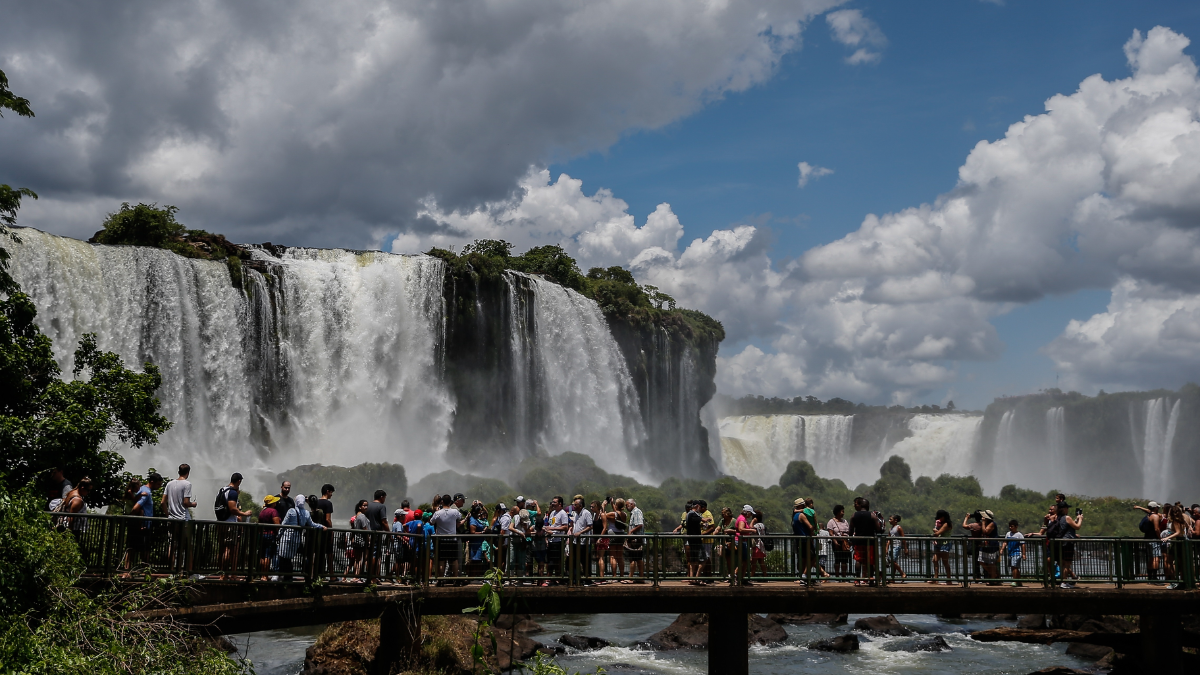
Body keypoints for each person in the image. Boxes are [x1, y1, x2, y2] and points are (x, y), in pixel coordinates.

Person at [122, 472, 163, 579]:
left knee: (132, 548)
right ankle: (145, 573)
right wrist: (133, 518)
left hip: (140, 524)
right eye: (158, 484)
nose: (159, 487)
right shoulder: (146, 492)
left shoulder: (142, 490)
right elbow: (136, 508)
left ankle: (128, 572)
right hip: (142, 526)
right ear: (152, 482)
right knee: (144, 550)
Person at [161, 464, 196, 574]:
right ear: (188, 472)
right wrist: (193, 504)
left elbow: (162, 502)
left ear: (178, 471)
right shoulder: (187, 484)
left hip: (172, 520)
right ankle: (189, 572)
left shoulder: (169, 483)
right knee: (188, 546)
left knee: (173, 546)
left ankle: (172, 572)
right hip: (183, 519)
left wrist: (168, 515)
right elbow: (186, 503)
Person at [1047, 503, 1082, 589]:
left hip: (1061, 543)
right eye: (1067, 508)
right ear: (1064, 509)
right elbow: (1077, 527)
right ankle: (1064, 582)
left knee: (1062, 563)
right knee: (1067, 564)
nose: (1068, 510)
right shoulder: (1067, 517)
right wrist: (1080, 519)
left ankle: (1063, 582)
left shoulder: (1057, 518)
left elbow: (1069, 527)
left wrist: (1076, 520)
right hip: (1068, 543)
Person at [430, 494, 462, 583]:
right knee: (454, 560)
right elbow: (460, 518)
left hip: (441, 540)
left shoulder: (438, 513)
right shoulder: (455, 512)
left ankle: (440, 580)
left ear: (442, 502)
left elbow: (431, 522)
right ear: (451, 502)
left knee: (441, 561)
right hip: (452, 539)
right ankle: (455, 579)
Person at [848, 497, 878, 586]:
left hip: (858, 541)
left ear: (860, 505)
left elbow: (851, 529)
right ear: (867, 506)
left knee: (858, 560)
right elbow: (878, 529)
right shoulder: (872, 515)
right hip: (870, 542)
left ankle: (857, 579)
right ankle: (871, 579)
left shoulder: (854, 515)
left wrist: (850, 540)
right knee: (870, 561)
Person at [1134, 501, 1164, 582]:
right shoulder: (1155, 517)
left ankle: (1150, 577)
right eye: (1157, 507)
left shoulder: (1148, 515)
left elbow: (1149, 511)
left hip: (1147, 539)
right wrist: (1160, 538)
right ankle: (1154, 578)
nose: (1158, 508)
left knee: (1151, 558)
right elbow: (1157, 529)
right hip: (1154, 539)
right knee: (1156, 558)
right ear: (1155, 508)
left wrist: (1139, 507)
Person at [258, 495, 282, 580]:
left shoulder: (262, 511)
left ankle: (262, 574)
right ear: (272, 503)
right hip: (270, 535)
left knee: (262, 555)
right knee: (267, 555)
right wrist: (279, 533)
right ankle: (265, 575)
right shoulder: (273, 511)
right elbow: (276, 525)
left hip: (262, 535)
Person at [792, 498, 815, 584]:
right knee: (813, 557)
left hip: (799, 540)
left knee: (803, 559)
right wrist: (814, 527)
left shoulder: (795, 515)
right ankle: (804, 575)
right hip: (805, 540)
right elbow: (810, 527)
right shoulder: (802, 515)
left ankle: (802, 576)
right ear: (801, 505)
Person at [346, 499, 370, 581]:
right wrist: (369, 540)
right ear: (360, 507)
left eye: (367, 505)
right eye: (364, 505)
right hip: (362, 540)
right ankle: (357, 576)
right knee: (361, 559)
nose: (366, 507)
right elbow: (365, 528)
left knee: (357, 559)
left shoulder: (357, 516)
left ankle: (355, 576)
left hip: (357, 540)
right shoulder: (362, 516)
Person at [316, 484, 336, 580]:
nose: (331, 495)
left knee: (318, 554)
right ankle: (331, 575)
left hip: (317, 531)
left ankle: (318, 574)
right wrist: (331, 531)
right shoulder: (328, 504)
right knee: (329, 553)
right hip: (325, 531)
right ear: (328, 491)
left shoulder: (316, 502)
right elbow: (328, 519)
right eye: (331, 492)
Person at [826, 505, 851, 580]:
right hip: (837, 542)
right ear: (837, 512)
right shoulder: (831, 522)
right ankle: (837, 577)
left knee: (844, 561)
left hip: (845, 542)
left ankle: (844, 577)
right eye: (842, 511)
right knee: (837, 560)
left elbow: (848, 531)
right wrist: (835, 541)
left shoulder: (845, 521)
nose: (843, 513)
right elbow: (831, 533)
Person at [734, 505, 757, 584]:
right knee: (744, 560)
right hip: (741, 541)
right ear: (747, 512)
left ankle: (740, 578)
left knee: (745, 560)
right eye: (750, 513)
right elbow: (740, 529)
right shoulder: (742, 519)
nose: (751, 515)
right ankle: (738, 577)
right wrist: (752, 530)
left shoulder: (743, 518)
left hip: (743, 541)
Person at [507, 502, 529, 585]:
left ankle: (520, 579)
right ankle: (510, 578)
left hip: (521, 542)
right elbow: (510, 527)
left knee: (521, 560)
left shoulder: (526, 519)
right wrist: (519, 532)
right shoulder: (515, 517)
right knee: (511, 559)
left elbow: (527, 529)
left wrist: (524, 526)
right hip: (513, 540)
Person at [624, 498, 645, 583]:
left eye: (627, 505)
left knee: (632, 559)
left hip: (636, 539)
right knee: (638, 559)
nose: (626, 507)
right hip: (636, 539)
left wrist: (631, 531)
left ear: (632, 504)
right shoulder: (634, 512)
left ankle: (630, 578)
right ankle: (641, 578)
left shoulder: (636, 512)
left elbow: (640, 524)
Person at [977, 510, 1000, 584]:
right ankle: (995, 576)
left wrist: (983, 523)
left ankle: (993, 579)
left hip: (992, 545)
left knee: (991, 563)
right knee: (981, 561)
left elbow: (985, 532)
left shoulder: (992, 524)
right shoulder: (987, 523)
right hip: (985, 545)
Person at [931, 509, 953, 585]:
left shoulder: (947, 524)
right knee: (935, 560)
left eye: (940, 517)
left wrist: (934, 530)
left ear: (944, 517)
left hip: (945, 544)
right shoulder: (940, 523)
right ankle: (935, 578)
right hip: (938, 544)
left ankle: (949, 579)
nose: (939, 519)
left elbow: (938, 533)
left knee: (945, 562)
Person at [684, 501, 704, 585]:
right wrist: (708, 520)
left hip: (691, 540)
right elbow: (703, 519)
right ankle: (696, 578)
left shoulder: (688, 514)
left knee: (692, 560)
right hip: (696, 540)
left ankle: (692, 578)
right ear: (697, 506)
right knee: (703, 559)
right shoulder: (693, 513)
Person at [1005, 519, 1025, 587]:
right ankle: (1019, 581)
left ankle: (1015, 581)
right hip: (1010, 553)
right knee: (1013, 567)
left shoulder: (1019, 535)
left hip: (1017, 553)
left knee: (1014, 567)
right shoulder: (1008, 534)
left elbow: (1023, 544)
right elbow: (1005, 542)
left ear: (1016, 527)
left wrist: (1024, 554)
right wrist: (1002, 549)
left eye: (1012, 526)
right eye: (1010, 526)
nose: (1010, 527)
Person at [887, 515, 907, 582]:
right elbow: (889, 539)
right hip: (892, 546)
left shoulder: (898, 528)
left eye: (891, 519)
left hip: (897, 545)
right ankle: (893, 578)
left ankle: (902, 573)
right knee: (892, 562)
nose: (889, 520)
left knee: (893, 561)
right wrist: (886, 548)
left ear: (895, 520)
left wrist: (905, 548)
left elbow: (903, 538)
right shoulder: (890, 529)